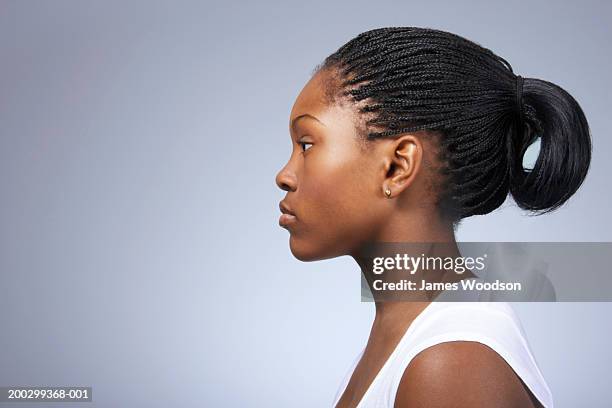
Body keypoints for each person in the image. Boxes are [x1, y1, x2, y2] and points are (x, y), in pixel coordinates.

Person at [275, 27, 591, 408]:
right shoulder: (413, 334)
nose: (285, 176)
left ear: (397, 167)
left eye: (307, 144)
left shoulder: (451, 363)